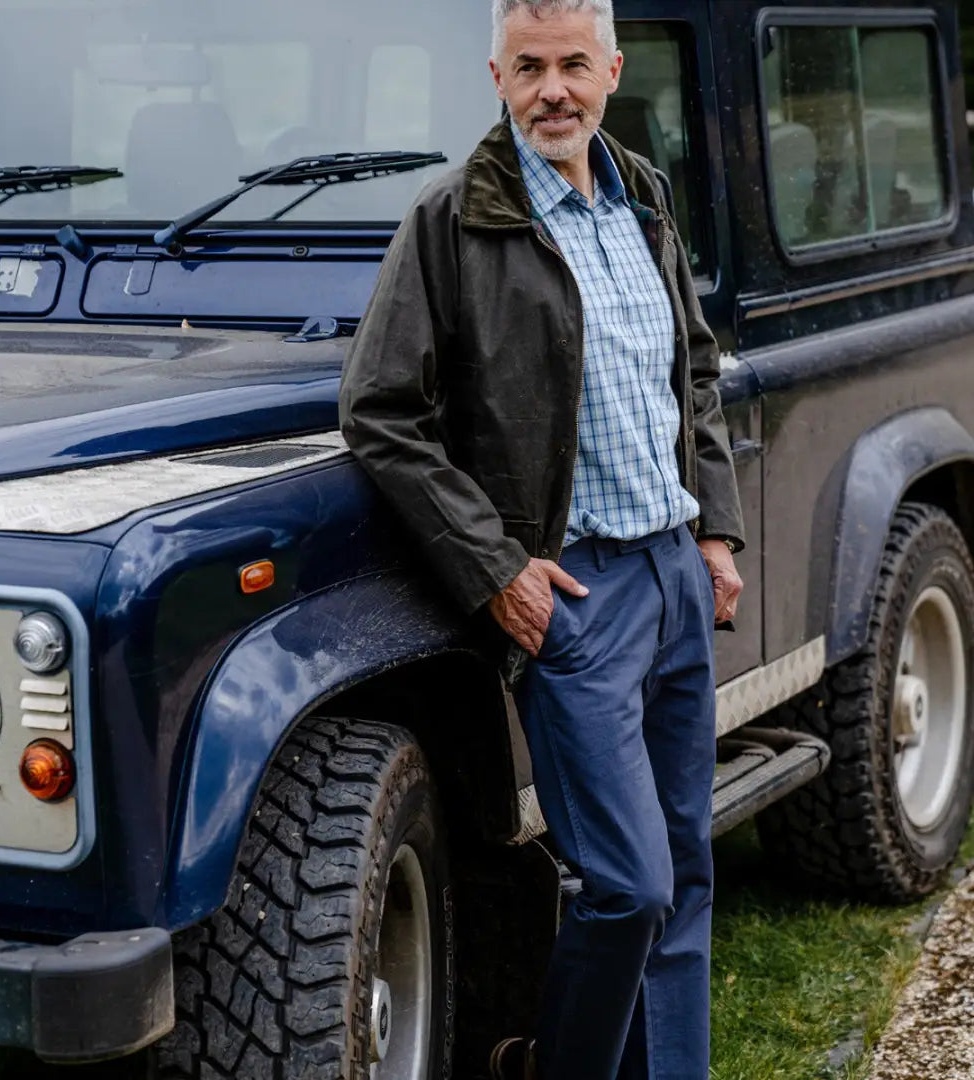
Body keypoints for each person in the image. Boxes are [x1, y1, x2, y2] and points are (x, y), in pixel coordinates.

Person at [339, 0, 745, 1076]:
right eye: (530, 67)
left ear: (612, 68)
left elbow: (692, 372)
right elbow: (381, 412)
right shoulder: (450, 220)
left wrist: (716, 532)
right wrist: (494, 569)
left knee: (687, 868)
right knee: (629, 885)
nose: (553, 89)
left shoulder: (641, 197)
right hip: (575, 597)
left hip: (671, 571)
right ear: (497, 74)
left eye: (573, 64)